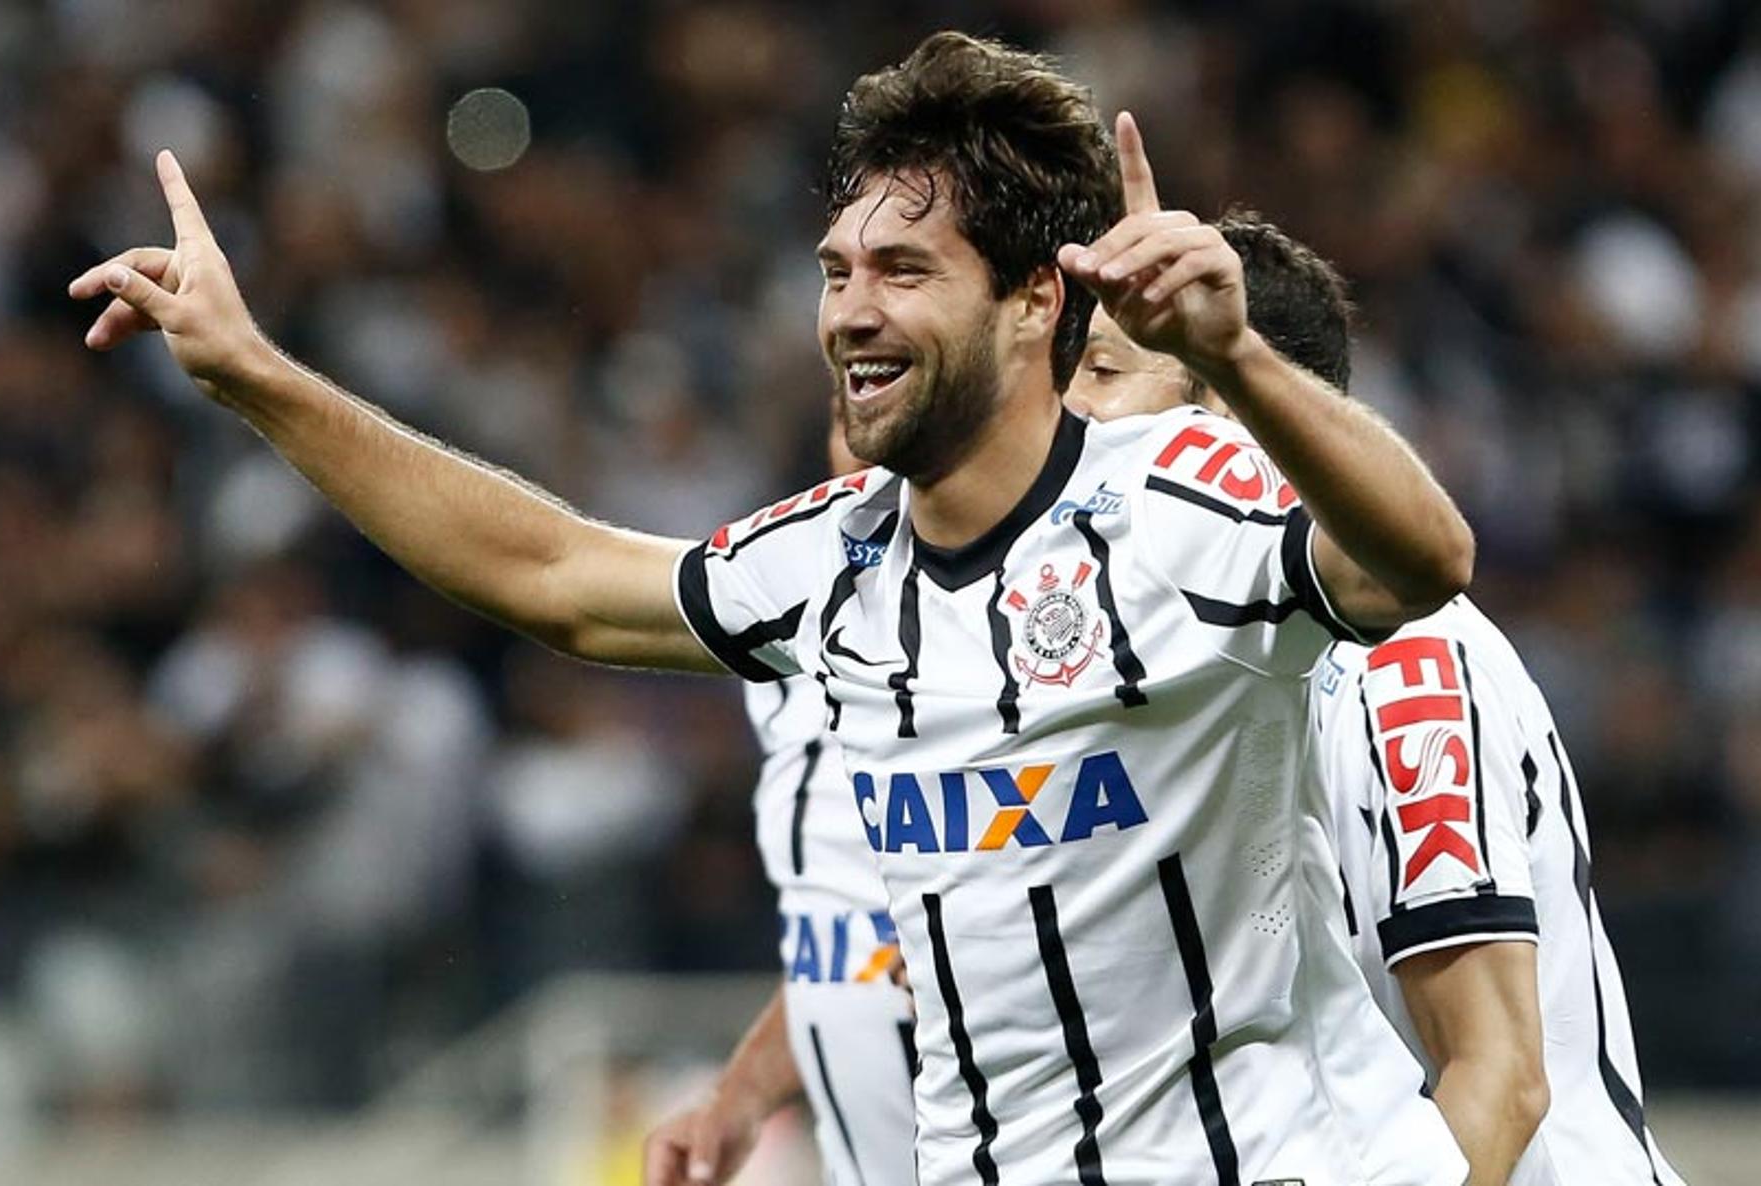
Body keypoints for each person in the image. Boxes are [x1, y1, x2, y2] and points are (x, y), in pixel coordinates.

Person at [71, 32, 1475, 1184]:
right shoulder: (836, 559)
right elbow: (552, 575)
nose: (850, 312)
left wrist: (1237, 355)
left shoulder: (1174, 495)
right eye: (838, 271)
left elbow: (1419, 563)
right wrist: (257, 375)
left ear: (1036, 299)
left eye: (906, 272)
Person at [1065, 209, 1686, 1186]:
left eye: (1101, 372)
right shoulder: (1190, 664)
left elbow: (1500, 1077)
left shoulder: (1401, 659)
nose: (1068, 410)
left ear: (1226, 408)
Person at [644, 422, 916, 1186]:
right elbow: (839, 941)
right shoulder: (789, 613)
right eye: (850, 392)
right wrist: (741, 1096)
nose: (866, 426)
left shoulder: (1039, 625)